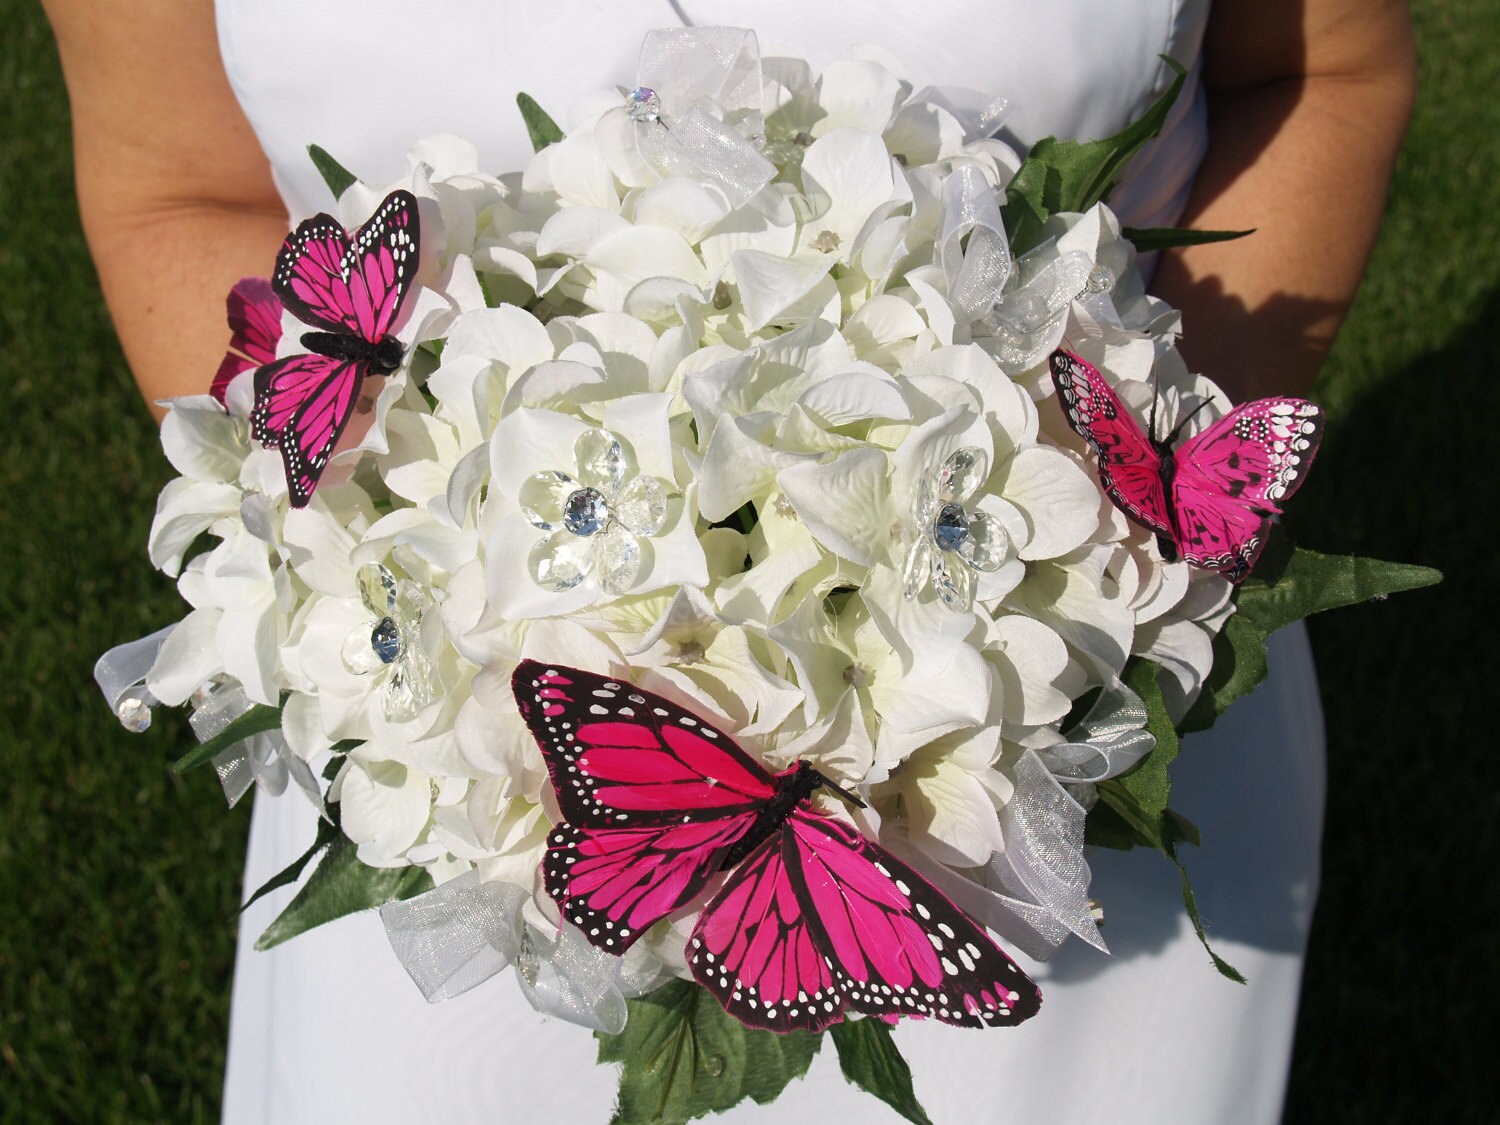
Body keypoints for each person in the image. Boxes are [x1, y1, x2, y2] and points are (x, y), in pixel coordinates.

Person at [42, 1, 1417, 1121]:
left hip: (1055, 712)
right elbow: (180, 193)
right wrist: (462, 740)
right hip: (459, 778)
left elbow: (1322, 68)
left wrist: (1079, 610)